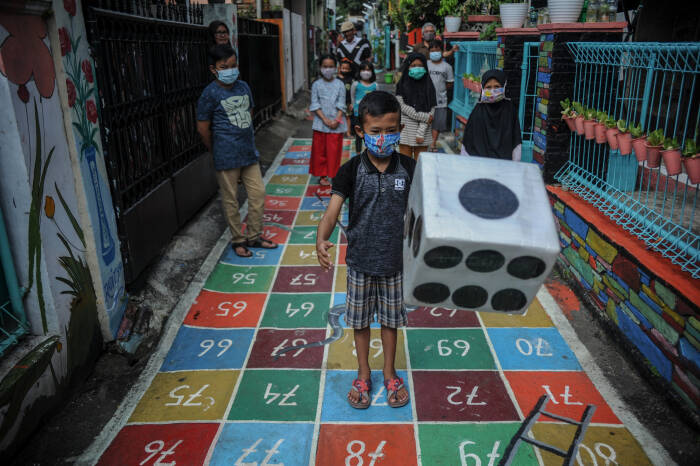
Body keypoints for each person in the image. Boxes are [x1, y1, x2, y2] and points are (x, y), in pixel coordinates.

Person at [316, 91, 414, 410]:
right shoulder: (350, 170)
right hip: (359, 263)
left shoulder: (410, 169)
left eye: (391, 130)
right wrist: (322, 238)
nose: (384, 138)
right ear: (361, 131)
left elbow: (429, 210)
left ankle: (389, 371)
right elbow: (332, 211)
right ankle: (363, 371)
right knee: (360, 322)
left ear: (400, 128)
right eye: (376, 132)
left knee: (389, 322)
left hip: (395, 264)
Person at [196, 44, 278, 257]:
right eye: (225, 66)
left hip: (248, 152)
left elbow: (249, 112)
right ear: (213, 69)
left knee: (258, 193)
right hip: (225, 155)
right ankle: (238, 240)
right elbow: (203, 127)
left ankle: (254, 235)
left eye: (233, 65)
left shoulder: (243, 87)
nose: (231, 70)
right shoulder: (209, 93)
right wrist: (216, 149)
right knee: (231, 200)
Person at [461, 69, 522, 161]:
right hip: (479, 164)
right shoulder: (478, 111)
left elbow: (516, 141)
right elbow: (468, 141)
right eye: (488, 87)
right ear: (482, 88)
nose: (493, 90)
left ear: (504, 87)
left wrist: (514, 165)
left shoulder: (510, 111)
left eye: (497, 86)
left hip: (504, 167)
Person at [309, 54, 347, 186]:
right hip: (320, 123)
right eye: (325, 67)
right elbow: (314, 103)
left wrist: (337, 120)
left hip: (337, 124)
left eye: (331, 66)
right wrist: (324, 119)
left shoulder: (340, 84)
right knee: (320, 152)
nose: (328, 69)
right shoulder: (316, 84)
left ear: (336, 68)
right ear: (320, 68)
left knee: (334, 152)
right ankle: (322, 176)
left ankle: (334, 174)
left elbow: (342, 103)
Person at [396, 53, 437, 159]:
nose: (417, 68)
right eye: (413, 65)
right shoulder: (401, 85)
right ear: (408, 67)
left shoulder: (429, 87)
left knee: (419, 166)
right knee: (405, 166)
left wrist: (420, 133)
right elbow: (402, 106)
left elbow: (431, 111)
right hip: (405, 132)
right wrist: (425, 117)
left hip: (423, 134)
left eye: (420, 65)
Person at [427, 40, 454, 152]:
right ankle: (425, 142)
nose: (434, 52)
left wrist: (440, 89)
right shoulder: (425, 64)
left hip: (440, 100)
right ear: (429, 52)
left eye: (437, 50)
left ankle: (433, 143)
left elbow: (450, 83)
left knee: (436, 124)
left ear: (441, 51)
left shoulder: (447, 67)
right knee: (426, 121)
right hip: (426, 100)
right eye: (432, 50)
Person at [350, 61, 378, 154]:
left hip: (371, 114)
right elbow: (352, 96)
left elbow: (377, 98)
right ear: (360, 71)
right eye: (363, 70)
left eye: (368, 70)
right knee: (358, 135)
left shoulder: (375, 85)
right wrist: (353, 106)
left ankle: (370, 152)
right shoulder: (356, 84)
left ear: (372, 72)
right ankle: (358, 153)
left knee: (370, 134)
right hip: (358, 113)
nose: (366, 72)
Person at [338, 58, 355, 141]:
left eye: (346, 69)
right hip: (338, 103)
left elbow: (353, 92)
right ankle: (339, 132)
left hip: (348, 102)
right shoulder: (336, 80)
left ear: (350, 69)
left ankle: (348, 132)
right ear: (339, 68)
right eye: (343, 68)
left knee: (348, 118)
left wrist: (352, 103)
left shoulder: (351, 80)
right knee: (339, 117)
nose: (344, 70)